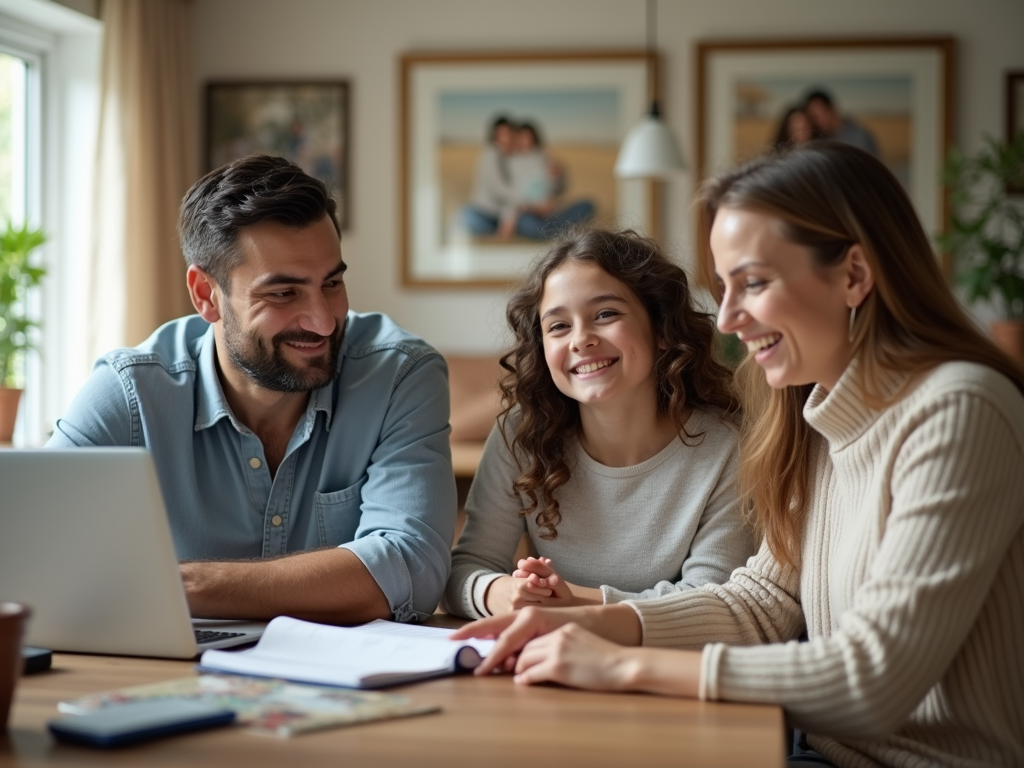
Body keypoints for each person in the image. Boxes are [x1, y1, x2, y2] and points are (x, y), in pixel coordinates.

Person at [452, 143, 1024, 767]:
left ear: (855, 275)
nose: (728, 317)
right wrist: (577, 623)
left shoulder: (960, 410)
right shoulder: (817, 418)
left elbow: (872, 683)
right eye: (724, 287)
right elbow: (758, 606)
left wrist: (619, 662)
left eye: (752, 283)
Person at [48, 155, 456, 625]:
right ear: (206, 294)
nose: (323, 320)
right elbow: (42, 555)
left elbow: (412, 568)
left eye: (333, 283)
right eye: (283, 294)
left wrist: (179, 586)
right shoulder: (130, 391)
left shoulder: (399, 375)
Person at [444, 228, 755, 620]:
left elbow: (711, 601)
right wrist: (503, 592)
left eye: (606, 314)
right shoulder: (519, 435)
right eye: (558, 326)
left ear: (660, 329)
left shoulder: (727, 445)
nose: (580, 339)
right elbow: (464, 569)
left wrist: (574, 601)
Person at [501, 121, 594, 241]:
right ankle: (560, 232)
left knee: (587, 205)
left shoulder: (545, 157)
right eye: (522, 138)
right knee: (528, 224)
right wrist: (534, 208)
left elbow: (558, 189)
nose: (525, 142)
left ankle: (554, 231)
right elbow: (512, 195)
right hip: (529, 212)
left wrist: (559, 176)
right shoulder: (513, 162)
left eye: (528, 137)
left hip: (551, 212)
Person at [461, 115, 518, 237]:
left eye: (508, 134)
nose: (505, 139)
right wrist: (523, 200)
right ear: (494, 136)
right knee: (467, 217)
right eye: (501, 135)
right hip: (484, 213)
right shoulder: (491, 154)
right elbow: (498, 189)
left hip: (500, 216)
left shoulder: (512, 156)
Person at [803, 89, 879, 156]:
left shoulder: (859, 136)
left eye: (818, 115)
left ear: (831, 109)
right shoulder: (819, 139)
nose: (816, 121)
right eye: (812, 118)